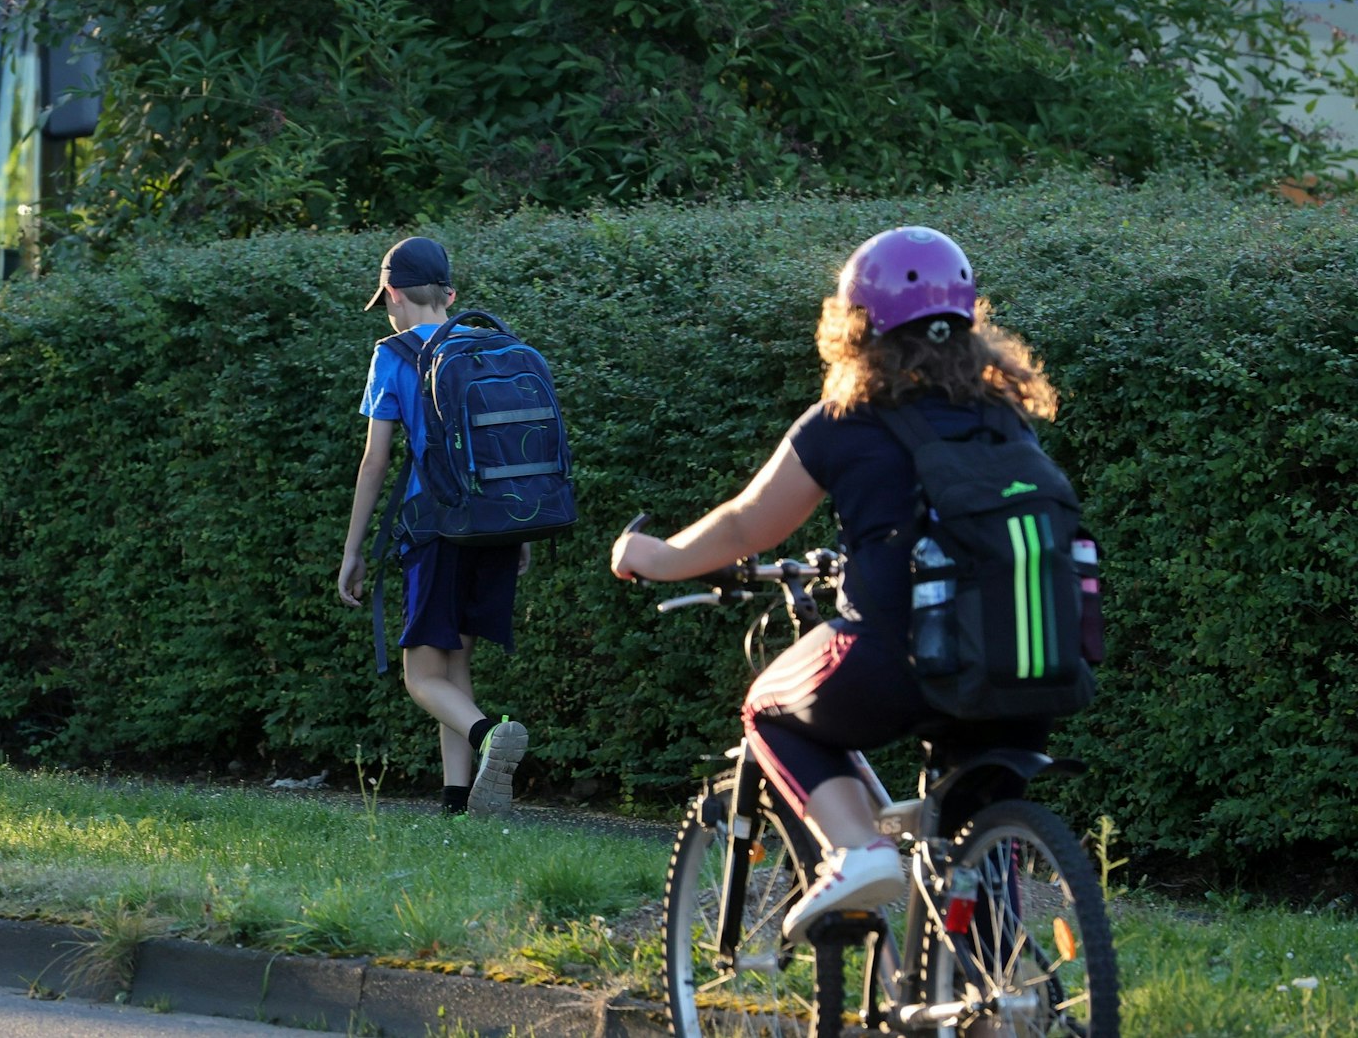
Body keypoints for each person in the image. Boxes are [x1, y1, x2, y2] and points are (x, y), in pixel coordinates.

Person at [609, 226, 1059, 940]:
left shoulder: (847, 419)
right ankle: (993, 1004)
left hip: (899, 657)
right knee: (970, 837)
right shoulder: (1004, 419)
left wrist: (652, 554)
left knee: (768, 708)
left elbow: (746, 526)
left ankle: (856, 848)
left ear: (857, 325)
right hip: (1025, 659)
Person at [337, 236, 530, 816]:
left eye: (387, 301)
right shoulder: (487, 346)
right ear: (449, 293)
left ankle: (491, 733)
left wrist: (353, 551)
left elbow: (376, 461)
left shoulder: (393, 355)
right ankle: (459, 801)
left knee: (421, 676)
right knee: (454, 664)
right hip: (495, 525)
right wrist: (517, 531)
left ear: (393, 294)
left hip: (435, 527)